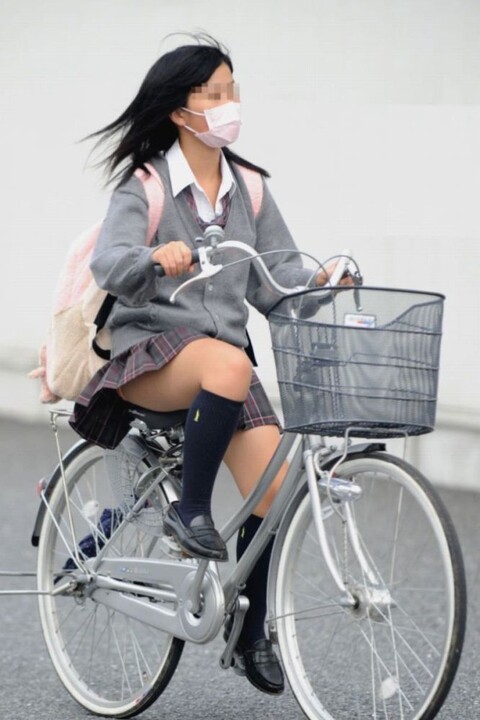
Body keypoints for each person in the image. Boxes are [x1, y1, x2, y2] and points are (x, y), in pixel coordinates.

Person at [70, 34, 350, 696]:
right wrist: (152, 258)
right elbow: (109, 262)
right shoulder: (146, 185)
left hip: (221, 365)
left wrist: (320, 280)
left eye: (232, 91)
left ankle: (249, 632)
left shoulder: (249, 188)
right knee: (229, 364)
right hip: (149, 354)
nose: (229, 105)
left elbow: (277, 281)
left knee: (273, 490)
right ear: (179, 111)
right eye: (213, 94)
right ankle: (189, 511)